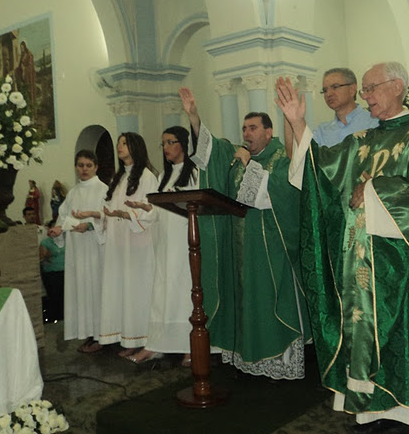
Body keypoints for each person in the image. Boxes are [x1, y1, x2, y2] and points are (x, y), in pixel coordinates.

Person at [275, 62, 409, 434]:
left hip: (405, 258)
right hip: (364, 260)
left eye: (371, 88)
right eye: (365, 90)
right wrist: (298, 124)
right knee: (367, 336)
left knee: (408, 336)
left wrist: (371, 191)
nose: (366, 96)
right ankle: (375, 409)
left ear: (397, 87)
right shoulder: (367, 138)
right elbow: (323, 170)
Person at [178, 87, 309, 380]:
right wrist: (194, 117)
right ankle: (248, 356)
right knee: (245, 297)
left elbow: (279, 193)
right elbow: (211, 151)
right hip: (242, 248)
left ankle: (280, 358)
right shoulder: (239, 156)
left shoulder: (281, 157)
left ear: (268, 131)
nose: (246, 134)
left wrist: (249, 164)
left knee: (267, 299)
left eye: (252, 128)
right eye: (244, 129)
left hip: (270, 250)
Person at [125, 126, 202, 366]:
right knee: (162, 293)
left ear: (184, 145)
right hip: (164, 242)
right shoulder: (163, 177)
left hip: (185, 242)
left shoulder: (195, 173)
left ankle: (191, 346)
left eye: (171, 142)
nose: (166, 148)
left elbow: (199, 206)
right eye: (164, 144)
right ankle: (156, 344)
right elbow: (158, 211)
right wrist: (143, 209)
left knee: (184, 293)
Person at [96, 132, 159, 357]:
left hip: (138, 245)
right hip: (120, 243)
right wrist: (103, 216)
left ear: (135, 147)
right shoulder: (119, 178)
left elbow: (152, 211)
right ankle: (129, 337)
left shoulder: (148, 177)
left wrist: (128, 214)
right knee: (123, 290)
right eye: (118, 143)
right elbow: (111, 208)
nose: (119, 147)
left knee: (138, 291)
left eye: (124, 143)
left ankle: (144, 339)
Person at [48, 150, 108, 353]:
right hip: (77, 252)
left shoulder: (103, 190)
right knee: (82, 292)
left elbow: (107, 218)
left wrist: (89, 226)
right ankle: (90, 334)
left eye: (88, 165)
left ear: (96, 167)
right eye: (80, 165)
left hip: (95, 250)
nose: (84, 169)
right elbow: (63, 218)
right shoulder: (73, 193)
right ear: (76, 167)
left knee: (96, 290)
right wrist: (57, 230)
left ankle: (103, 335)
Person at [284, 67, 379, 158]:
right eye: (325, 90)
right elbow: (297, 156)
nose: (328, 94)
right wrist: (291, 116)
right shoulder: (322, 132)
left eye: (335, 87)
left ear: (352, 89)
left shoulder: (374, 123)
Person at [40, 220, 65, 324]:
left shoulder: (67, 240)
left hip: (65, 272)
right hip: (52, 273)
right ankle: (56, 318)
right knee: (55, 296)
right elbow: (41, 258)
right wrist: (46, 255)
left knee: (65, 296)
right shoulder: (45, 242)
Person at [14, 40, 36, 107]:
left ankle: (32, 109)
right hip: (23, 77)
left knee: (30, 93)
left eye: (22, 48)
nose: (22, 50)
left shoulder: (29, 54)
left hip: (29, 77)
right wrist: (16, 70)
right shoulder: (22, 55)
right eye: (21, 48)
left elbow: (31, 66)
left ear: (25, 47)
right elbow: (20, 66)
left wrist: (25, 69)